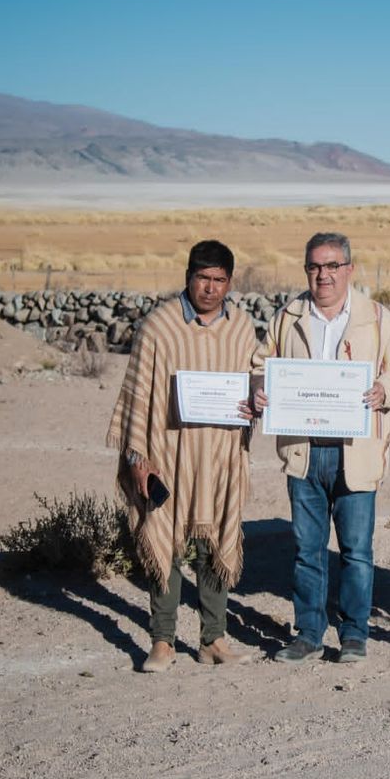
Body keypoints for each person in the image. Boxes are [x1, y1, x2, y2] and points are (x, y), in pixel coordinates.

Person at [252, 232, 390, 664]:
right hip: (304, 451)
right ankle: (308, 632)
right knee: (307, 550)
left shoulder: (379, 319)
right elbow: (259, 363)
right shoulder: (287, 317)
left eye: (331, 266)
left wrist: (385, 390)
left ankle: (354, 633)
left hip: (356, 451)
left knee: (357, 551)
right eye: (314, 266)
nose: (322, 275)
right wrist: (259, 388)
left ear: (350, 269)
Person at [106, 240, 258, 673]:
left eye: (219, 280)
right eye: (202, 278)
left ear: (230, 282)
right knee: (165, 541)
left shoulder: (241, 328)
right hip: (168, 453)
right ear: (188, 277)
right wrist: (138, 456)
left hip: (220, 455)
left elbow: (255, 380)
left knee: (214, 541)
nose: (210, 288)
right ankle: (162, 640)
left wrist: (257, 399)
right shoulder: (160, 326)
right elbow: (137, 396)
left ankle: (213, 639)